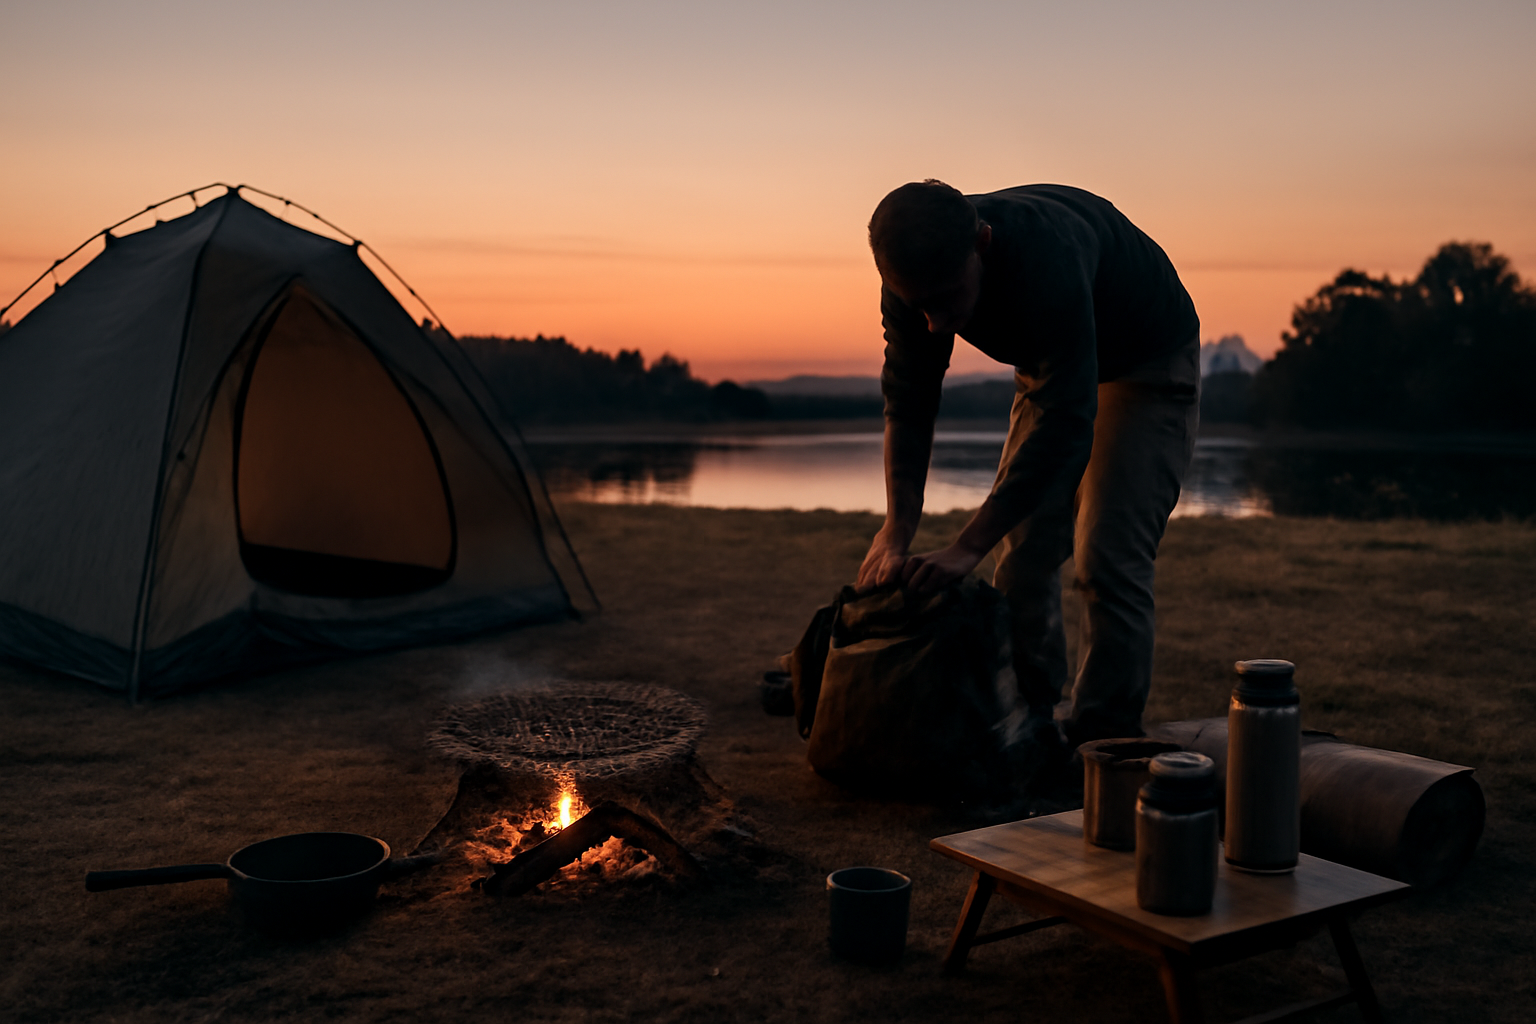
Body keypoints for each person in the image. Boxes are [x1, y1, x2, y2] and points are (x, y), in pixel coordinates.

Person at [856, 180, 1200, 756]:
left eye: (946, 298)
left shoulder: (1047, 255)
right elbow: (909, 400)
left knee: (1108, 555)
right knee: (1022, 554)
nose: (935, 323)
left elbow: (1067, 424)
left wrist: (966, 547)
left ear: (983, 243)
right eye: (919, 306)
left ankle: (1104, 739)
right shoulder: (911, 276)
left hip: (1147, 362)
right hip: (1052, 367)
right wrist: (897, 529)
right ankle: (1029, 724)